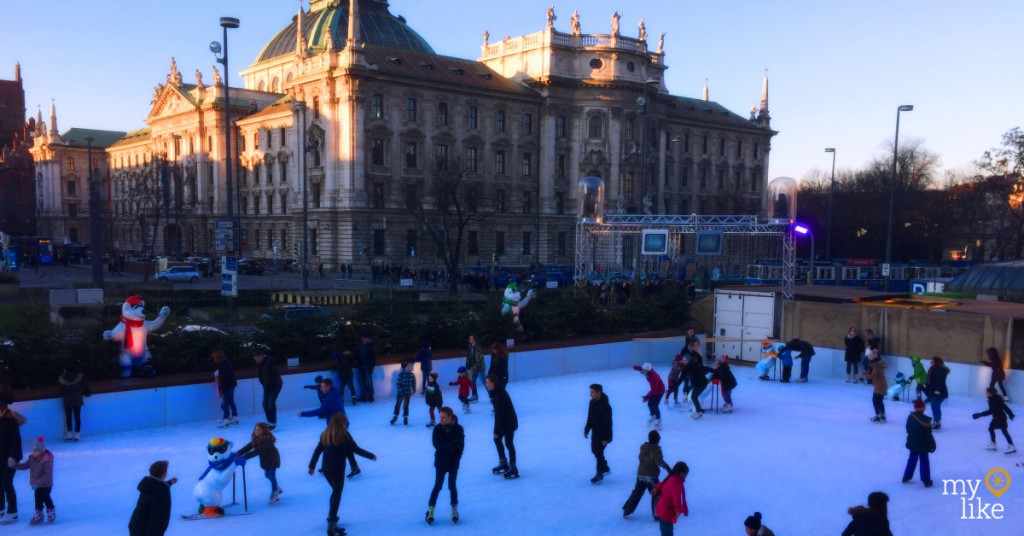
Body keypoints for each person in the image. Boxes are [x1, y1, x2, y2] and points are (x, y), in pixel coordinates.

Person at [308, 413, 377, 536]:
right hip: (338, 470)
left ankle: (332, 520)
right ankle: (331, 525)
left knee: (335, 492)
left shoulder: (325, 435)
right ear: (342, 423)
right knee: (336, 493)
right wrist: (371, 455)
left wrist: (312, 466)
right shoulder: (345, 436)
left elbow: (317, 451)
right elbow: (356, 449)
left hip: (327, 470)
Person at [425, 407, 464, 525]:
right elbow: (436, 445)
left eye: (443, 417)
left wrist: (453, 451)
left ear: (450, 417)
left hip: (453, 462)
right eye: (440, 417)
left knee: (452, 485)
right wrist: (451, 446)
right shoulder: (437, 429)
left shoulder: (458, 429)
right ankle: (430, 511)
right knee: (438, 486)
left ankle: (454, 510)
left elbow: (460, 447)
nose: (440, 419)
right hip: (441, 463)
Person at [622, 430, 670, 519]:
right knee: (657, 493)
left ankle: (627, 509)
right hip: (651, 476)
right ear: (658, 440)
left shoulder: (644, 448)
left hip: (640, 475)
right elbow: (659, 461)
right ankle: (657, 514)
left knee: (637, 492)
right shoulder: (656, 449)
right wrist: (667, 468)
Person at [10, 436, 54, 524]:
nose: (33, 452)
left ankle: (50, 510)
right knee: (37, 498)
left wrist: (37, 483)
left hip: (46, 484)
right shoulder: (32, 459)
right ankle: (39, 513)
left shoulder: (46, 460)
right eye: (33, 451)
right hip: (36, 484)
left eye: (35, 451)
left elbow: (47, 475)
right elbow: (24, 466)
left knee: (45, 497)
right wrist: (14, 465)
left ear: (41, 451)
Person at [236, 423, 283, 504]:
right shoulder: (256, 439)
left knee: (271, 475)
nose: (257, 432)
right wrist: (239, 453)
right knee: (267, 475)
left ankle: (274, 493)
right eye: (256, 430)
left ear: (264, 431)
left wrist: (244, 457)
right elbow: (249, 447)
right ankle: (276, 486)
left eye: (259, 430)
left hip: (272, 459)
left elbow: (256, 452)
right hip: (265, 460)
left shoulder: (266, 441)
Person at [128, 460, 177, 536]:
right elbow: (159, 518)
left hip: (136, 526)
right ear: (164, 474)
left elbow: (156, 487)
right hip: (146, 531)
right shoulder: (161, 493)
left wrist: (169, 482)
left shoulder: (148, 484)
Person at [486, 374, 519, 479]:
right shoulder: (496, 392)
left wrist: (496, 431)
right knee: (498, 440)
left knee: (508, 443)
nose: (486, 384)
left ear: (493, 383)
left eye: (487, 382)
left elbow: (499, 415)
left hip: (508, 422)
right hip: (505, 421)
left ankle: (513, 467)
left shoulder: (498, 395)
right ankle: (504, 463)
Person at [972, 386, 1016, 454]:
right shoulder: (997, 398)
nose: (986, 393)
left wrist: (979, 415)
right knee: (993, 429)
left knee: (999, 430)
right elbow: (1004, 406)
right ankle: (997, 444)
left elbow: (991, 411)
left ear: (991, 393)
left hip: (999, 418)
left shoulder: (993, 400)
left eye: (987, 392)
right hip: (1000, 417)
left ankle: (997, 445)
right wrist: (1010, 414)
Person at [902, 398, 936, 487]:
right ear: (923, 408)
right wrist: (933, 443)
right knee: (924, 461)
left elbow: (907, 429)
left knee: (912, 459)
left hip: (913, 442)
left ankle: (906, 476)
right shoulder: (926, 420)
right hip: (923, 444)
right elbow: (928, 434)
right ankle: (926, 480)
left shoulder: (910, 417)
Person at [584, 383, 613, 483]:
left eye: (592, 392)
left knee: (598, 452)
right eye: (590, 392)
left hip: (604, 434)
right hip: (595, 432)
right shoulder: (591, 403)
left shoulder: (606, 406)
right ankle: (605, 467)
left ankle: (599, 473)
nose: (590, 394)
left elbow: (608, 423)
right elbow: (590, 417)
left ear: (598, 392)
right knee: (594, 451)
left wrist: (605, 438)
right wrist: (586, 429)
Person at [653, 462, 689, 535]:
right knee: (667, 532)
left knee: (665, 531)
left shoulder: (671, 478)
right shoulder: (676, 484)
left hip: (661, 509)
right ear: (681, 473)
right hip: (666, 512)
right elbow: (677, 501)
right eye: (686, 474)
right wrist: (680, 510)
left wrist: (656, 488)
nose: (686, 477)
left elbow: (662, 484)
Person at [57, 365, 90, 441]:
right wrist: (85, 393)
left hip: (67, 398)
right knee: (77, 417)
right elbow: (87, 389)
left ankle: (69, 433)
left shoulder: (63, 378)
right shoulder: (79, 378)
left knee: (68, 417)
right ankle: (76, 434)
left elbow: (61, 391)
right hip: (77, 398)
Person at [254, 350, 282, 429]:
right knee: (265, 403)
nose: (256, 360)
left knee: (271, 403)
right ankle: (269, 421)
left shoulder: (270, 361)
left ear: (261, 356)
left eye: (256, 359)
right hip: (267, 386)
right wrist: (263, 383)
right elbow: (260, 374)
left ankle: (272, 423)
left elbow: (271, 374)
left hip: (275, 385)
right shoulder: (260, 363)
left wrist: (267, 383)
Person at [632, 363, 665, 428]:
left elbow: (654, 390)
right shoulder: (646, 371)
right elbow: (640, 368)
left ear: (648, 371)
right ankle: (653, 416)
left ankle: (658, 421)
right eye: (643, 370)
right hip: (654, 390)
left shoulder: (653, 377)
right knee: (650, 404)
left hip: (659, 391)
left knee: (655, 405)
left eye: (644, 370)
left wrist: (647, 397)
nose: (642, 371)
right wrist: (634, 367)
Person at [212, 351, 238, 428]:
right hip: (231, 384)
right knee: (230, 401)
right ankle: (235, 417)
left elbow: (225, 377)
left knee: (225, 403)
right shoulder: (226, 363)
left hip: (227, 386)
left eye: (214, 358)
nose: (214, 360)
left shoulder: (223, 365)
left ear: (217, 358)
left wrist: (223, 387)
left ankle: (226, 419)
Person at [682, 353, 709, 419]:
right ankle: (698, 411)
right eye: (683, 360)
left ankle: (698, 411)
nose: (684, 361)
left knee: (694, 397)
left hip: (701, 384)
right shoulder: (689, 366)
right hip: (698, 384)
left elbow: (702, 371)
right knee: (693, 397)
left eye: (685, 360)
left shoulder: (694, 366)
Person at [926, 356, 950, 430]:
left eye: (932, 362)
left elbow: (940, 381)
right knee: (935, 407)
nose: (931, 363)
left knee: (935, 407)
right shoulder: (933, 369)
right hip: (934, 391)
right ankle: (937, 422)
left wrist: (938, 391)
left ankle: (936, 422)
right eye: (931, 362)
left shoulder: (940, 370)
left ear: (937, 362)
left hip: (939, 392)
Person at [865, 350, 888, 422]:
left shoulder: (876, 366)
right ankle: (882, 415)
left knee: (875, 400)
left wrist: (865, 376)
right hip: (882, 385)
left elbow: (872, 375)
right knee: (879, 400)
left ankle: (878, 415)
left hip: (879, 386)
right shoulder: (878, 365)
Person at [391, 361, 416, 426]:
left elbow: (414, 382)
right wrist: (402, 393)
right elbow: (398, 384)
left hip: (407, 393)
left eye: (410, 366)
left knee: (406, 406)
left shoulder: (412, 375)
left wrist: (414, 388)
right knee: (398, 405)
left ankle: (405, 417)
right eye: (408, 366)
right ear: (404, 367)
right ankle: (395, 416)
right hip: (400, 394)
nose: (409, 367)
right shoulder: (401, 374)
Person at [355, 333, 376, 402]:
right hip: (360, 366)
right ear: (362, 338)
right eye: (364, 337)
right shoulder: (359, 346)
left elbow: (373, 358)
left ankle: (370, 396)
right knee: (362, 382)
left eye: (367, 337)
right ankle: (364, 396)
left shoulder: (371, 347)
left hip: (368, 367)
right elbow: (355, 355)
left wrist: (371, 368)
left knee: (369, 382)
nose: (366, 339)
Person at [466, 335, 486, 402]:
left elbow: (479, 360)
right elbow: (469, 358)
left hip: (479, 368)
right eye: (469, 338)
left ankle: (492, 396)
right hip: (472, 368)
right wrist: (468, 367)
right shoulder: (470, 347)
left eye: (471, 338)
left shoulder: (478, 348)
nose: (470, 339)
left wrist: (472, 368)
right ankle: (475, 396)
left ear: (475, 339)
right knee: (472, 382)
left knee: (485, 382)